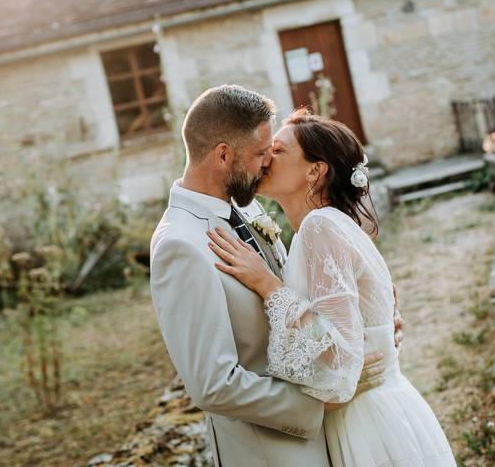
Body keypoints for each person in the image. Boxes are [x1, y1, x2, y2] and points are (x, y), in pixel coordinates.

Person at [149, 85, 402, 467]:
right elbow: (214, 386)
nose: (266, 163)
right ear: (222, 155)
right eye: (259, 154)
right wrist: (322, 401)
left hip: (329, 441)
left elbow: (296, 298)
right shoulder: (180, 246)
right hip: (271, 454)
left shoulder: (245, 212)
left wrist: (365, 323)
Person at [206, 108, 456, 467]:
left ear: (315, 170)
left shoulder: (320, 227)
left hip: (368, 424)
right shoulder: (328, 226)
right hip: (381, 410)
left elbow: (339, 359)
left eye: (277, 152)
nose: (264, 160)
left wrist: (267, 284)